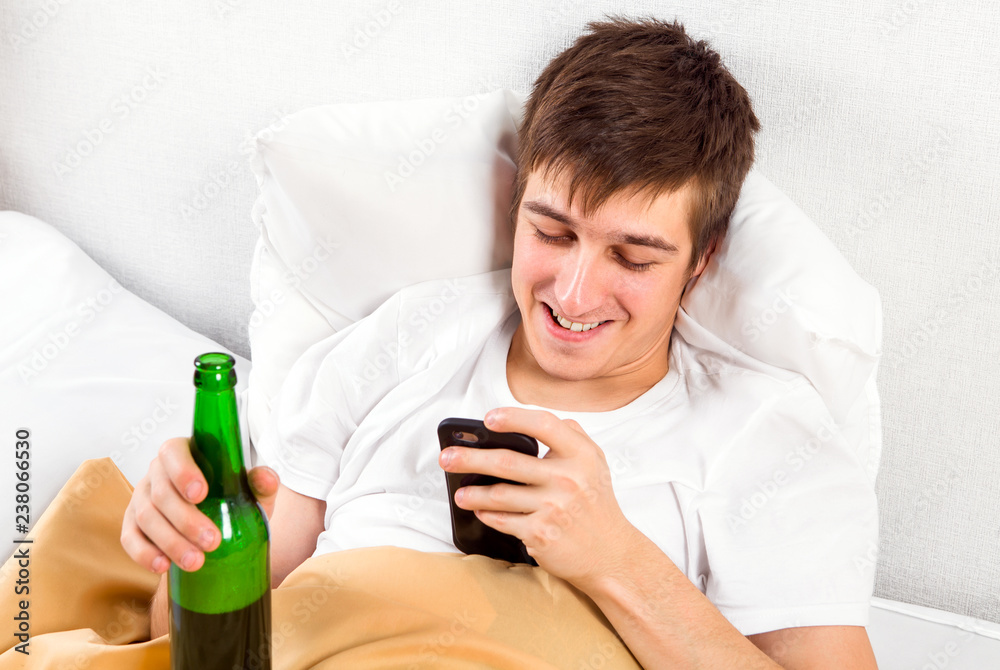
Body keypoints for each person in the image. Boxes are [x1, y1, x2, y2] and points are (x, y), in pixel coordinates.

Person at [121, 17, 879, 668]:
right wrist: (186, 550)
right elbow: (200, 645)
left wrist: (615, 560)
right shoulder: (404, 339)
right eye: (553, 232)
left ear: (701, 261)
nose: (573, 295)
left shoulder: (765, 433)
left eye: (632, 258)